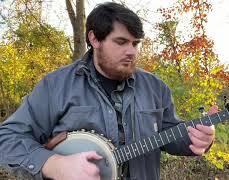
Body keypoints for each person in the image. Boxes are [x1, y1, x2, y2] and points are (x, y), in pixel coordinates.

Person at [0, 2, 215, 180]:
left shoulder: (156, 88)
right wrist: (53, 164)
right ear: (94, 39)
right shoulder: (55, 86)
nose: (131, 51)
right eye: (121, 42)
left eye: (135, 43)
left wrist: (197, 140)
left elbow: (170, 135)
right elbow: (7, 138)